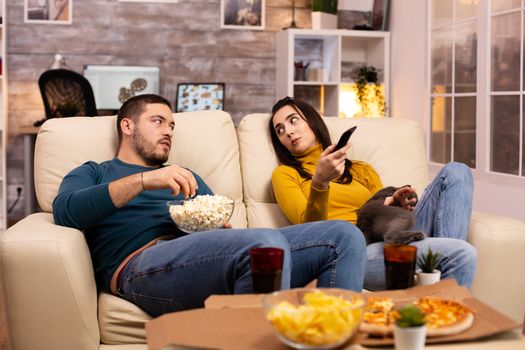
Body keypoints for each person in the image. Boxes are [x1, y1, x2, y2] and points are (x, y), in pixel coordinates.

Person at [52, 94, 367, 317]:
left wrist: (221, 230)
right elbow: (66, 211)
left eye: (172, 126)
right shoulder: (96, 171)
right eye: (158, 121)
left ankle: (327, 337)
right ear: (127, 126)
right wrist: (146, 181)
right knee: (263, 245)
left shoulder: (187, 177)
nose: (168, 132)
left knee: (343, 236)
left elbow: (221, 229)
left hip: (204, 259)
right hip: (139, 266)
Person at [268, 96, 477, 290]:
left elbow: (381, 215)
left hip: (391, 233)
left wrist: (394, 204)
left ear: (312, 120)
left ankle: (436, 267)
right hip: (355, 249)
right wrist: (320, 182)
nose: (288, 131)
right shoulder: (285, 174)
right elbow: (311, 230)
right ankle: (440, 271)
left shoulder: (361, 169)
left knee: (457, 172)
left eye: (293, 120)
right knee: (460, 253)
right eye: (280, 130)